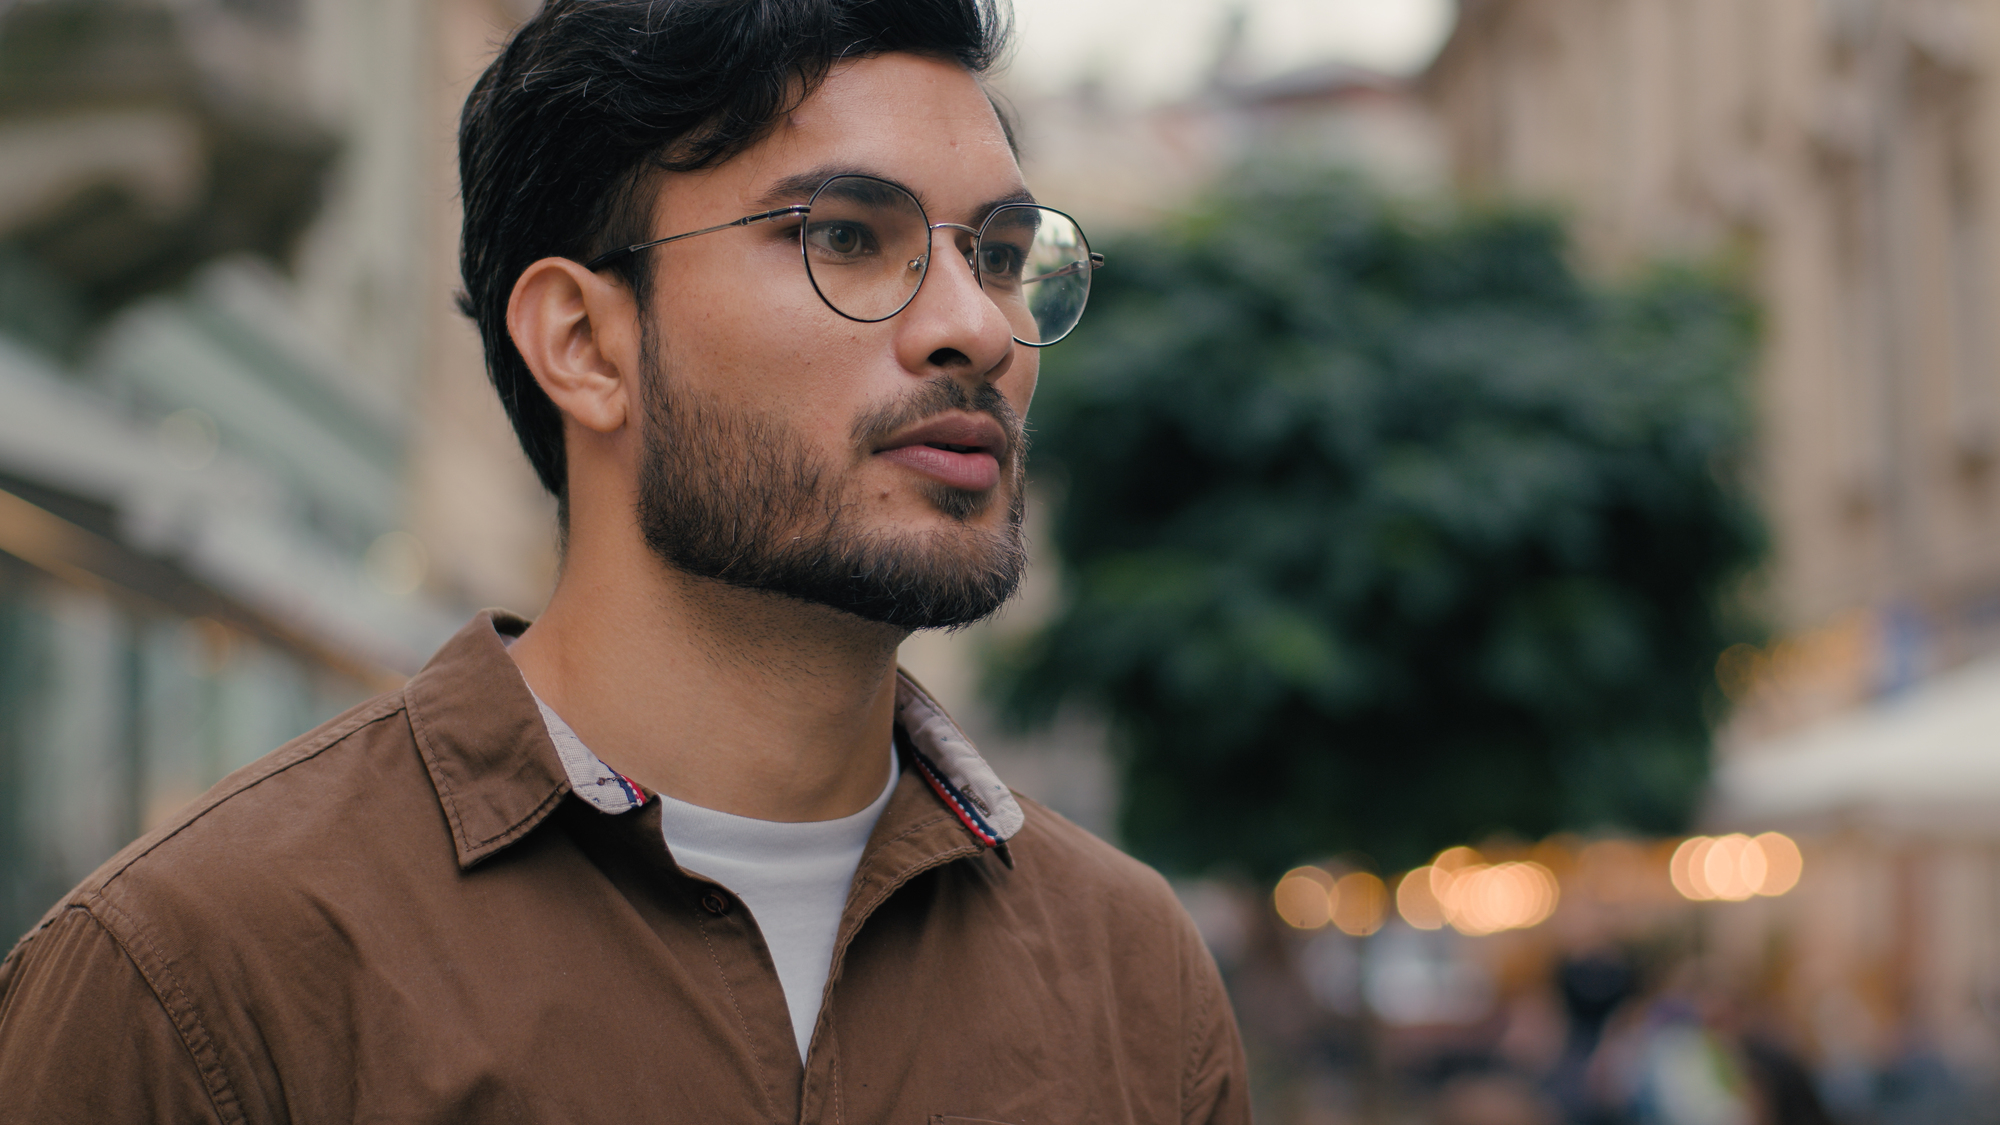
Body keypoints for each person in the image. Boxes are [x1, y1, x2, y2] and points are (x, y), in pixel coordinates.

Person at [0, 0, 1251, 1121]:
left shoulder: (1130, 971)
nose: (977, 328)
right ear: (586, 344)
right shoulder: (195, 975)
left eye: (996, 254)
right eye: (848, 237)